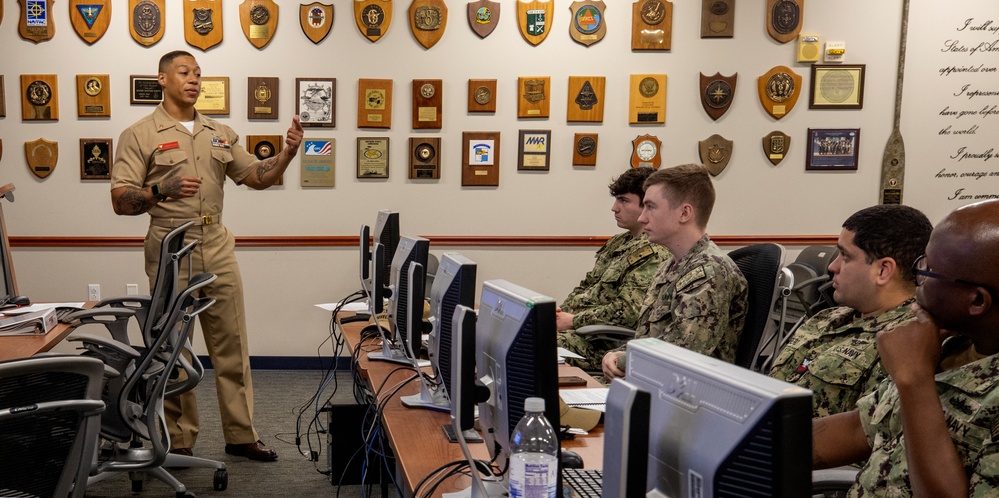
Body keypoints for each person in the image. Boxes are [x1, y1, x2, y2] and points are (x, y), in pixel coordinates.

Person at [110, 50, 303, 461]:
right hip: (170, 246)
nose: (193, 79)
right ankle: (179, 440)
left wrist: (287, 153)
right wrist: (160, 190)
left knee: (232, 344)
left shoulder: (219, 133)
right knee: (173, 348)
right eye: (184, 72)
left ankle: (241, 435)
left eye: (198, 73)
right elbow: (121, 202)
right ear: (162, 79)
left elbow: (257, 177)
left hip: (215, 241)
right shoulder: (140, 133)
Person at [812, 199, 999, 496]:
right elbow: (857, 430)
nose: (917, 278)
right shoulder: (949, 344)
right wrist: (745, 440)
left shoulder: (923, 360)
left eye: (928, 270)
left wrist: (914, 380)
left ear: (977, 301)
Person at [769, 205, 932, 418]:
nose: (833, 267)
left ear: (883, 270)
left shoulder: (904, 341)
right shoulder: (827, 318)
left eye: (845, 256)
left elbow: (866, 436)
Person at [602, 164, 747, 380]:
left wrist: (622, 360)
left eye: (650, 207)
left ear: (684, 213)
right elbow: (649, 338)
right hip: (648, 384)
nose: (642, 217)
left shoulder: (710, 272)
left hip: (682, 399)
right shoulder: (669, 267)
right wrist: (613, 355)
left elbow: (683, 354)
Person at [556, 167, 669, 370]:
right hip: (582, 330)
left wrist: (573, 320)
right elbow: (586, 286)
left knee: (533, 345)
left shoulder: (653, 252)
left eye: (624, 201)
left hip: (607, 343)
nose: (614, 208)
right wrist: (558, 314)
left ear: (646, 206)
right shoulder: (618, 242)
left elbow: (629, 311)